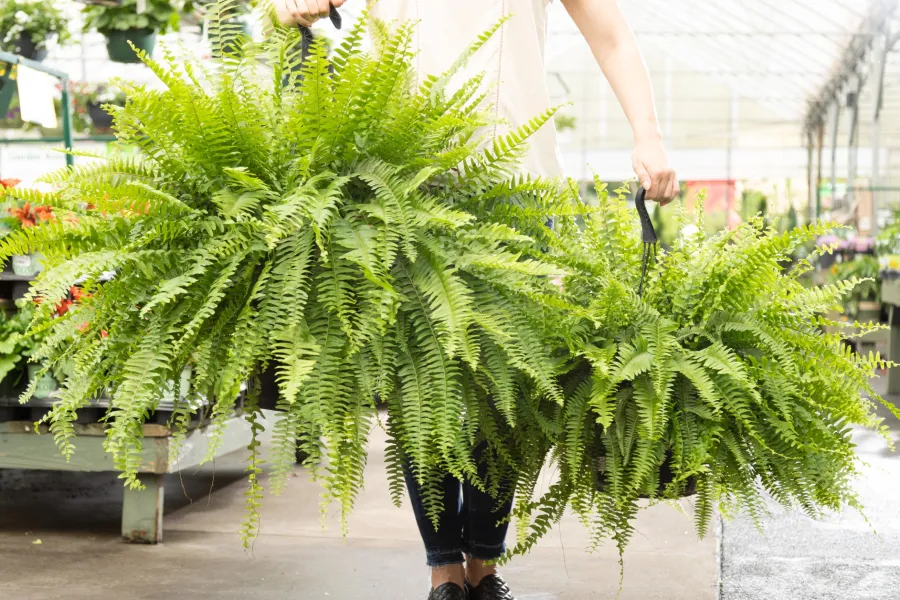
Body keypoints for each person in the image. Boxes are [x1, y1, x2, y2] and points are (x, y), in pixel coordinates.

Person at [273, 1, 679, 599]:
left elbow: (612, 36)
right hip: (404, 174)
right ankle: (444, 574)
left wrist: (649, 134)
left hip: (518, 179)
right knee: (420, 382)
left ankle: (484, 567)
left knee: (510, 384)